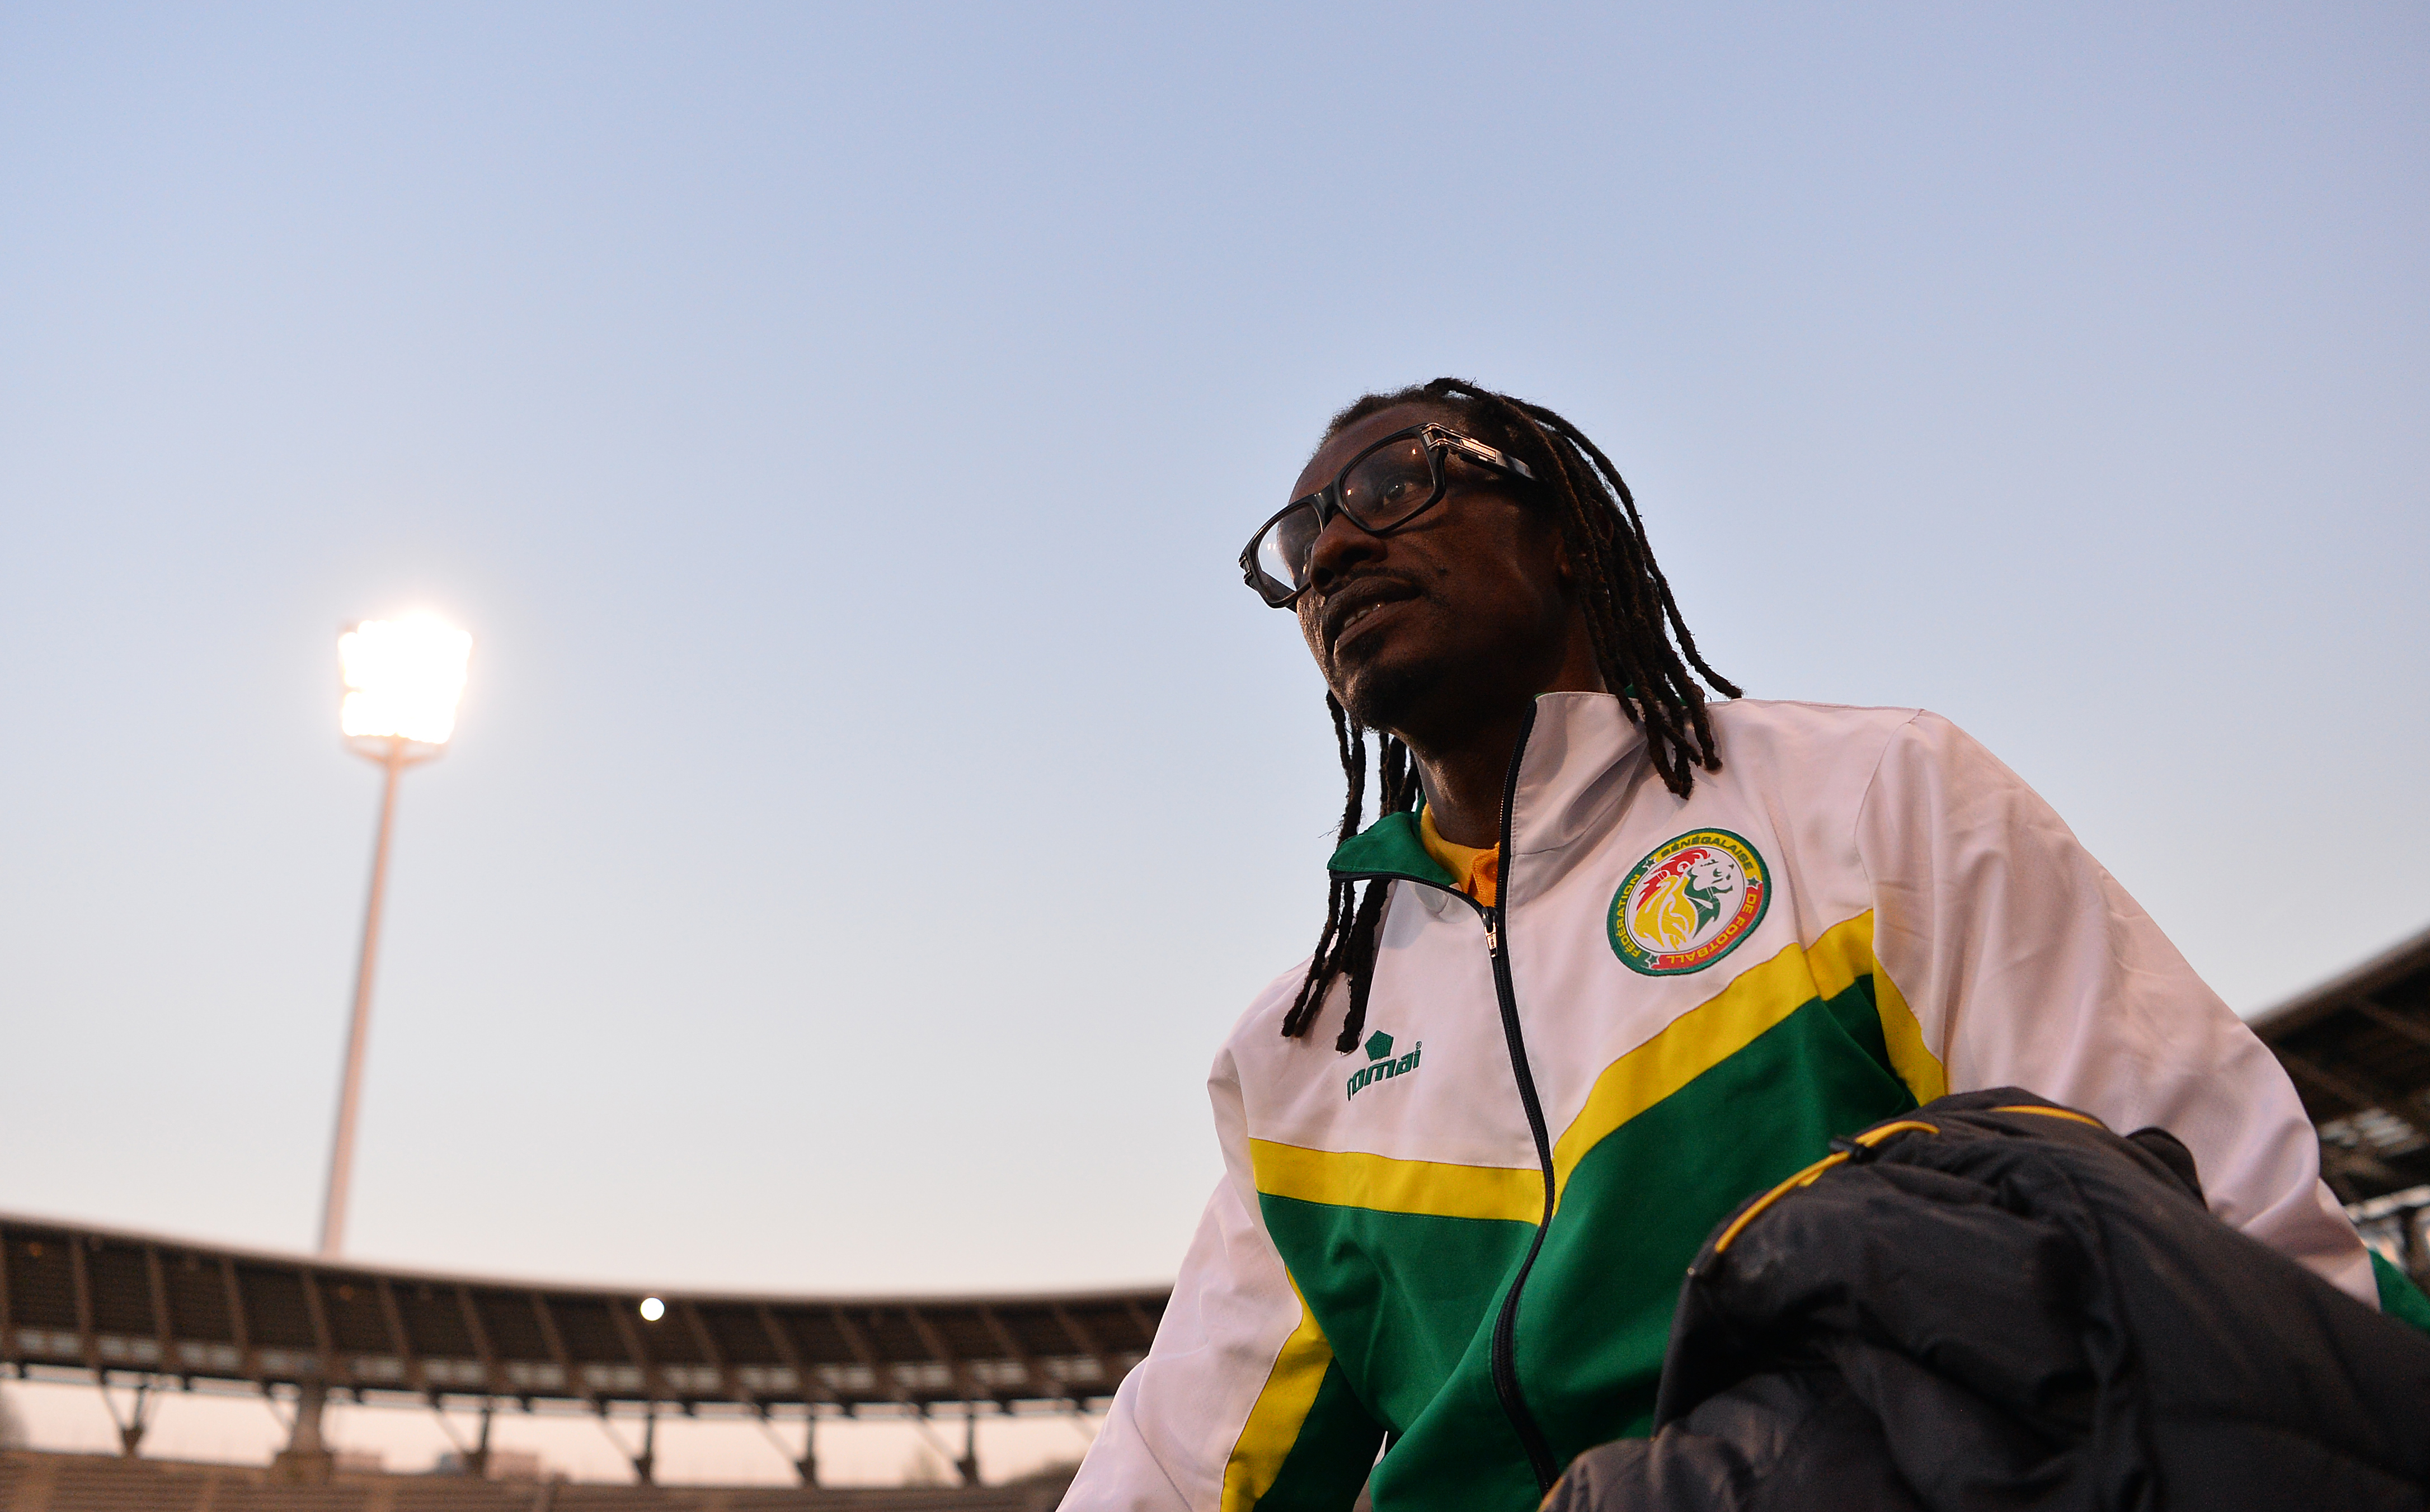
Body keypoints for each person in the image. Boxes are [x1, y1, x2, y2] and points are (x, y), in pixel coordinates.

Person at [1059, 379, 2381, 1512]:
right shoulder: (1298, 1052)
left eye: (1393, 484)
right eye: (1302, 540)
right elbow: (1178, 1467)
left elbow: (2205, 1243)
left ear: (1567, 530)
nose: (1336, 549)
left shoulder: (1868, 801)